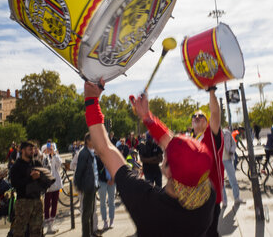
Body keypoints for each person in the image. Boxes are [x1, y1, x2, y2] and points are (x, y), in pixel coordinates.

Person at [85, 80, 215, 237]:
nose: (166, 146)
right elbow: (177, 151)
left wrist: (91, 100)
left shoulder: (147, 205)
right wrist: (147, 117)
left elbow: (104, 149)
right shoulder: (207, 197)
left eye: (168, 153)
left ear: (167, 171)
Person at [189, 88, 223, 237]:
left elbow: (215, 113)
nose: (197, 117)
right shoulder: (189, 141)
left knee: (210, 233)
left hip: (211, 197)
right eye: (194, 116)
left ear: (206, 121)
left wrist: (211, 92)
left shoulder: (211, 134)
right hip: (193, 197)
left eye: (201, 116)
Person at [9, 141, 44, 237]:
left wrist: (41, 177)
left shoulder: (37, 163)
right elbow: (15, 183)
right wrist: (30, 178)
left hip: (37, 200)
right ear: (22, 150)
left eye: (33, 149)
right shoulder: (17, 166)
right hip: (23, 202)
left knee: (37, 230)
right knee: (20, 230)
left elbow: (45, 179)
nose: (32, 151)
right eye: (30, 149)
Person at [74, 133, 101, 237]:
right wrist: (79, 186)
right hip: (88, 187)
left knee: (91, 211)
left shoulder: (91, 152)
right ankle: (86, 234)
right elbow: (79, 171)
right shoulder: (84, 153)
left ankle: (91, 232)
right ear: (88, 141)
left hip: (93, 185)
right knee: (86, 213)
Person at [42, 142, 63, 234]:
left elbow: (59, 165)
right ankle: (48, 225)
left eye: (51, 149)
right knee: (47, 204)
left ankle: (52, 223)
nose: (49, 150)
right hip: (47, 184)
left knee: (54, 203)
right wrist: (45, 155)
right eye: (48, 149)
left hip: (56, 183)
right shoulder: (43, 157)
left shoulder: (55, 157)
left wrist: (54, 154)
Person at [221, 128, 244, 206]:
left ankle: (237, 198)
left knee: (233, 179)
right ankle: (224, 201)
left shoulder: (226, 133)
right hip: (218, 161)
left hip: (227, 159)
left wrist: (231, 150)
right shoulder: (212, 135)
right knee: (221, 182)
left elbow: (233, 144)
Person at [96, 154, 115, 231]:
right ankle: (105, 221)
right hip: (102, 182)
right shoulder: (97, 157)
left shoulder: (112, 155)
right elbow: (97, 171)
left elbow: (116, 167)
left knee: (111, 201)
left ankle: (111, 220)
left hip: (112, 181)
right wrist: (106, 180)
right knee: (102, 202)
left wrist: (113, 179)